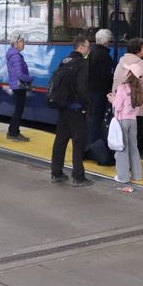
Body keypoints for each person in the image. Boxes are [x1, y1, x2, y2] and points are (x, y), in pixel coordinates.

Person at [50, 35, 93, 187]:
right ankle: (78, 177)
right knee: (78, 142)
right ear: (81, 47)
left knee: (60, 140)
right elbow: (81, 88)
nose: (89, 49)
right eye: (88, 47)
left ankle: (56, 172)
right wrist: (85, 106)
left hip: (63, 107)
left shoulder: (65, 60)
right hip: (75, 108)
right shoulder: (82, 63)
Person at [108, 62, 143, 183]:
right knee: (134, 148)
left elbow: (118, 106)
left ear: (129, 73)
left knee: (122, 149)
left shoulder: (123, 87)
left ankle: (123, 177)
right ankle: (137, 175)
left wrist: (112, 100)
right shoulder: (139, 90)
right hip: (133, 121)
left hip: (122, 121)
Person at [87, 29, 115, 161]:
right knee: (97, 120)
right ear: (107, 41)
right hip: (100, 92)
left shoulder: (91, 52)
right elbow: (106, 76)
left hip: (90, 91)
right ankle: (95, 149)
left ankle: (90, 146)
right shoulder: (104, 56)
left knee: (92, 118)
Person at [5, 32, 32, 142]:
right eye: (22, 42)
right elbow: (20, 74)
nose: (24, 44)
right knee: (18, 110)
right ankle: (14, 133)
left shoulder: (12, 54)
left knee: (18, 109)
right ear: (16, 43)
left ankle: (12, 131)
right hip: (19, 85)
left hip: (16, 85)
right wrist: (30, 78)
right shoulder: (16, 56)